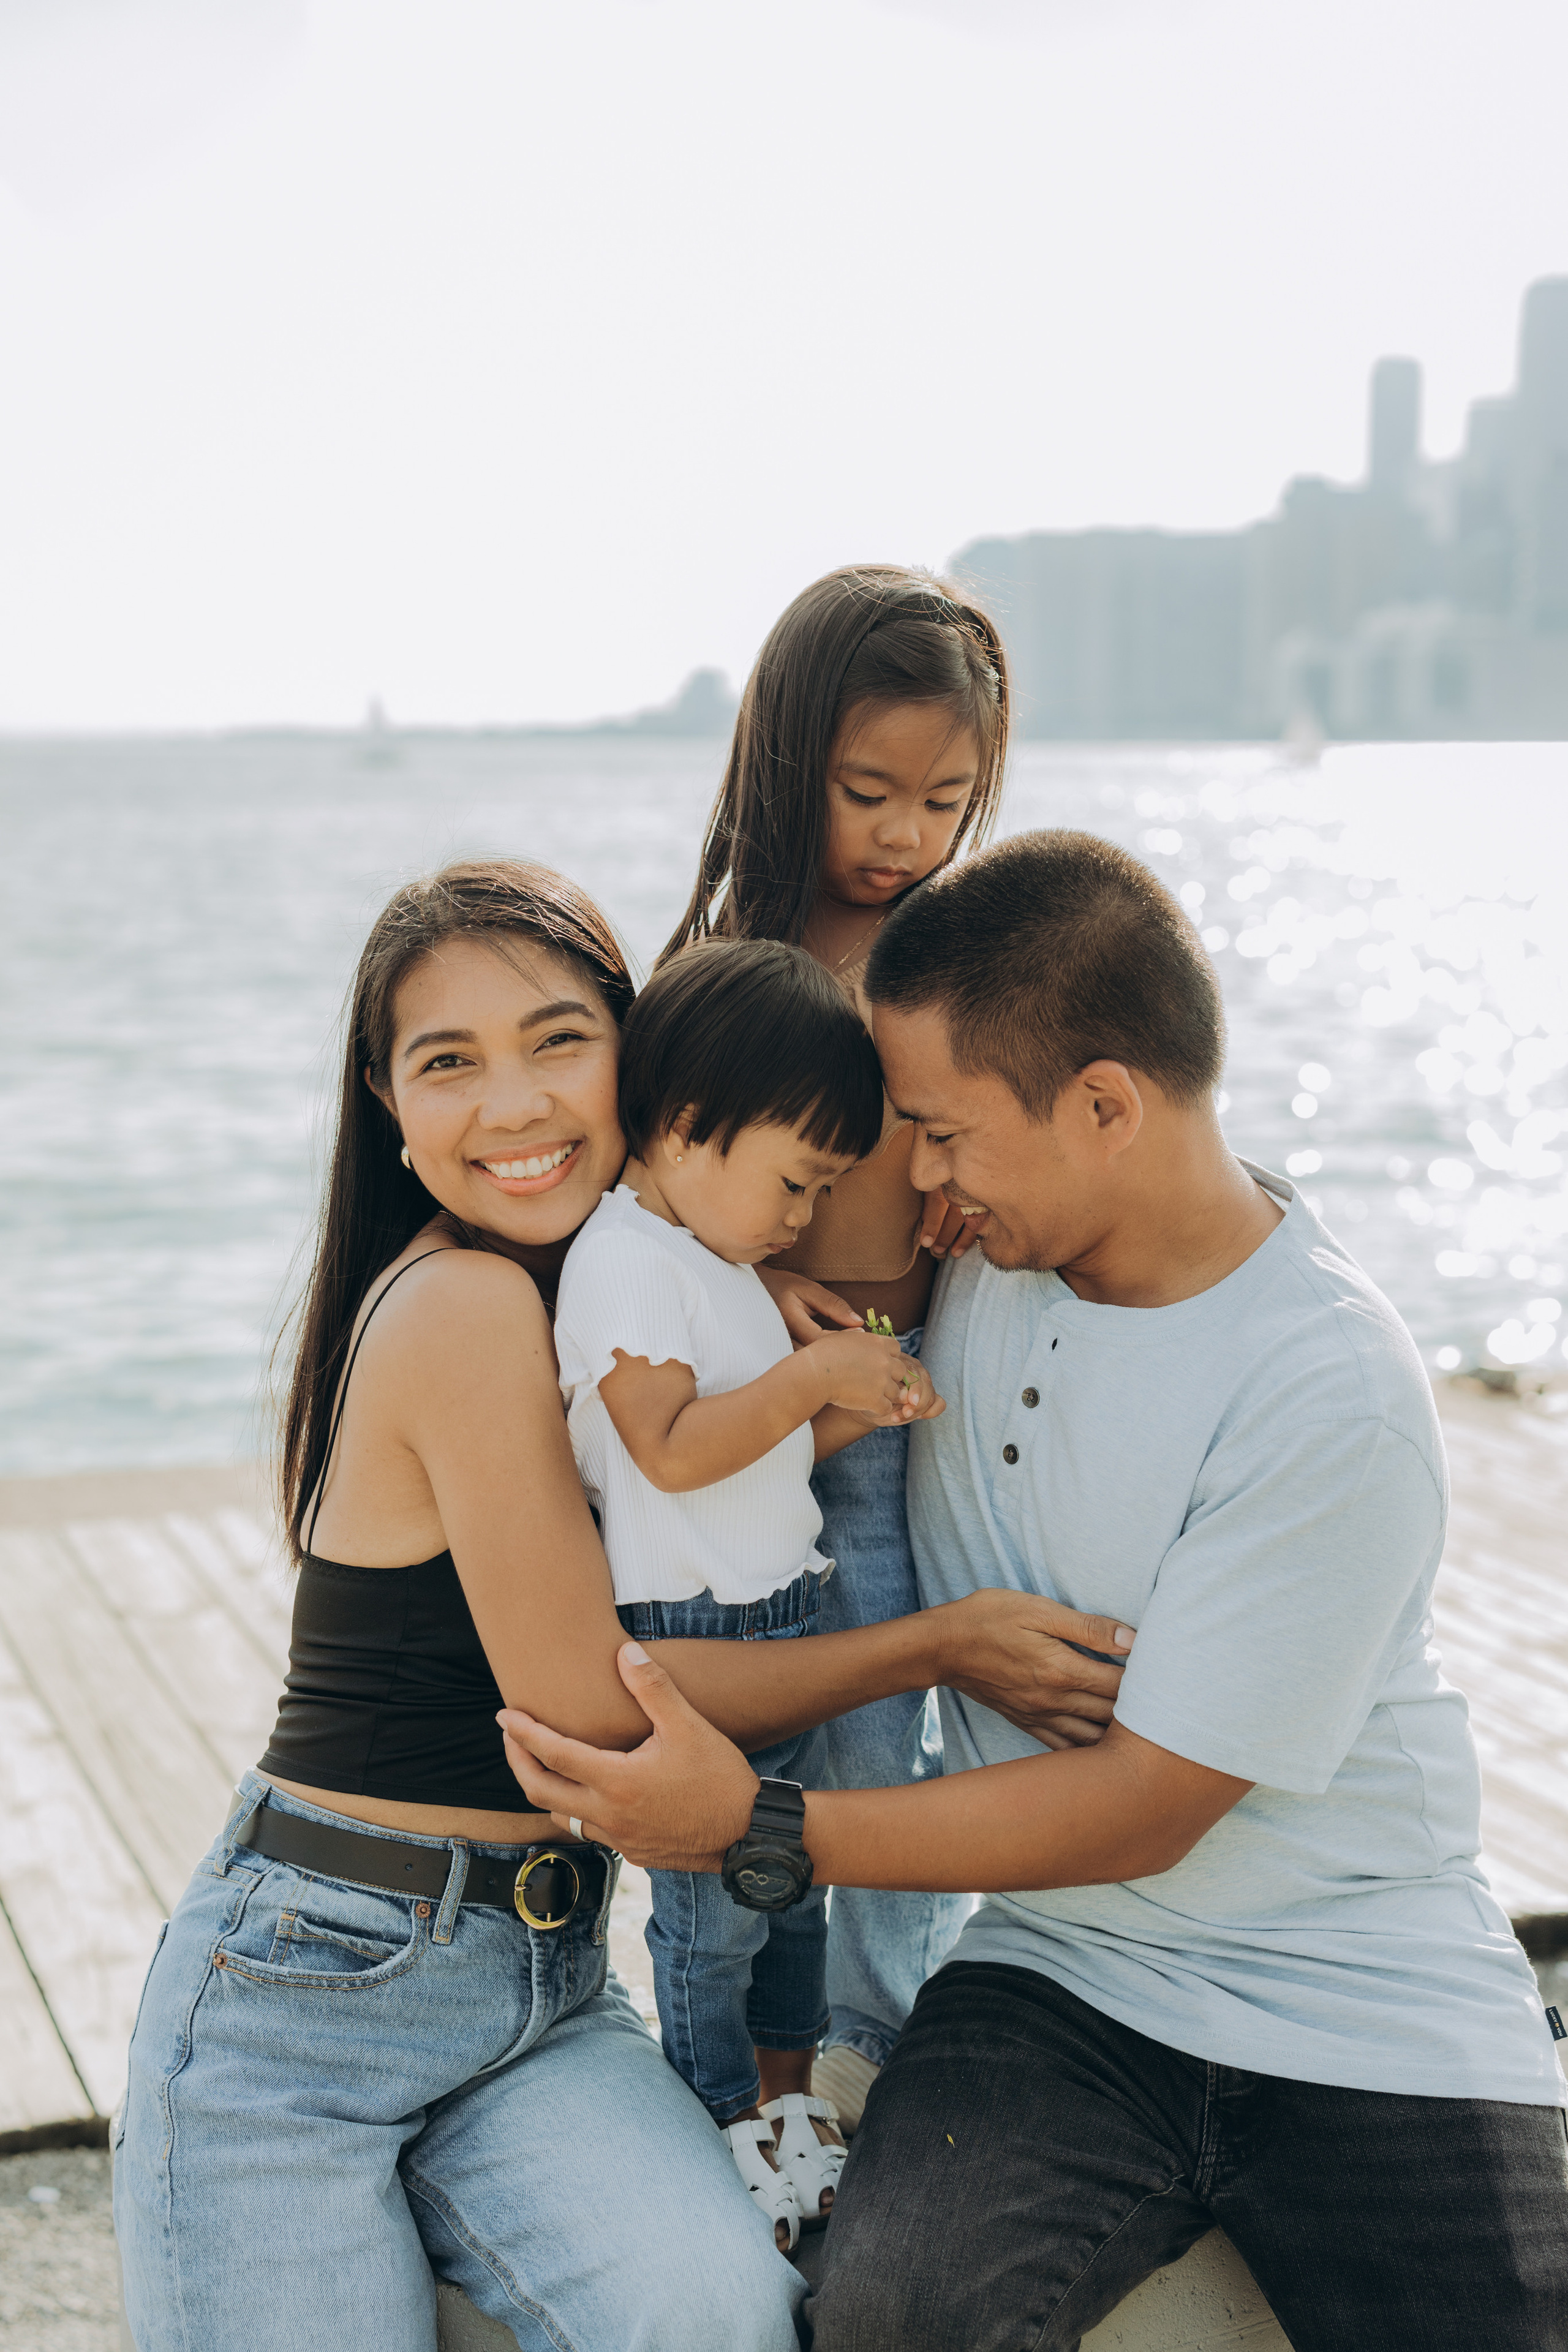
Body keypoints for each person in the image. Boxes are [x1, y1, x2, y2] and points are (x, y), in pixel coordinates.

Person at [500, 831, 1568, 2352]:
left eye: (938, 1133)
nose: (910, 1179)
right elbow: (691, 1199)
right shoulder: (980, 1259)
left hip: (1363, 1998)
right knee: (881, 2319)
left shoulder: (1325, 1388)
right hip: (1061, 1979)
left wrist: (757, 1829)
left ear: (1104, 1107)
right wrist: (766, 1319)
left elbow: (1146, 1803)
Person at [113, 856, 1133, 2352]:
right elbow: (603, 1712)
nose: (513, 1102)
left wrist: (753, 1328)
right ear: (390, 1111)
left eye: (554, 1040)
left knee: (729, 2322)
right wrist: (932, 1643)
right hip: (309, 2002)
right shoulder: (460, 1306)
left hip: (538, 1989)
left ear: (635, 1059)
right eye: (446, 1064)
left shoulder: (599, 1292)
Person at [661, 564, 1007, 2125]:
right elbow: (646, 1205)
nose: (904, 835)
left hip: (927, 1417)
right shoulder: (729, 976)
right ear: (788, 764)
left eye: (944, 799)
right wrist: (768, 1296)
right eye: (867, 792)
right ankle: (741, 2079)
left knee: (892, 1759)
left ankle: (883, 2052)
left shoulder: (959, 958)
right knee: (761, 1756)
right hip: (764, 1436)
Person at [556, 938, 944, 2244]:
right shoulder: (626, 1262)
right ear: (679, 1129)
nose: (801, 1216)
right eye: (795, 1180)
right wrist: (801, 1384)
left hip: (782, 1612)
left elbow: (756, 1456)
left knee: (791, 1899)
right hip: (695, 1638)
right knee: (715, 1915)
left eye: (823, 1188)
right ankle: (714, 2113)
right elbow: (667, 1451)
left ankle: (788, 2103)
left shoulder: (719, 1259)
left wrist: (864, 1404)